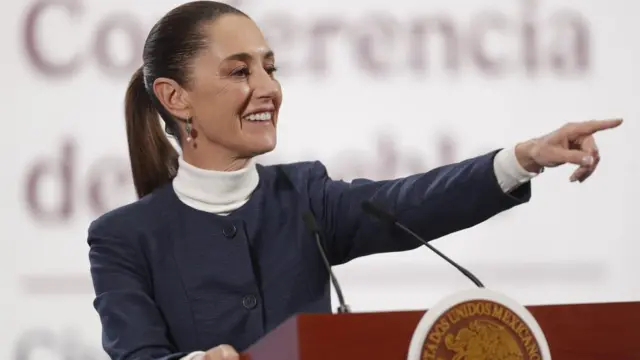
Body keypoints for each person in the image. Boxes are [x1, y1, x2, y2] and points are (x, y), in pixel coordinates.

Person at [86, 1, 622, 360]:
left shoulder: (305, 196)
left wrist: (523, 157)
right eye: (240, 71)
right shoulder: (122, 238)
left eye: (271, 68)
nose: (269, 88)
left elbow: (411, 202)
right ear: (176, 98)